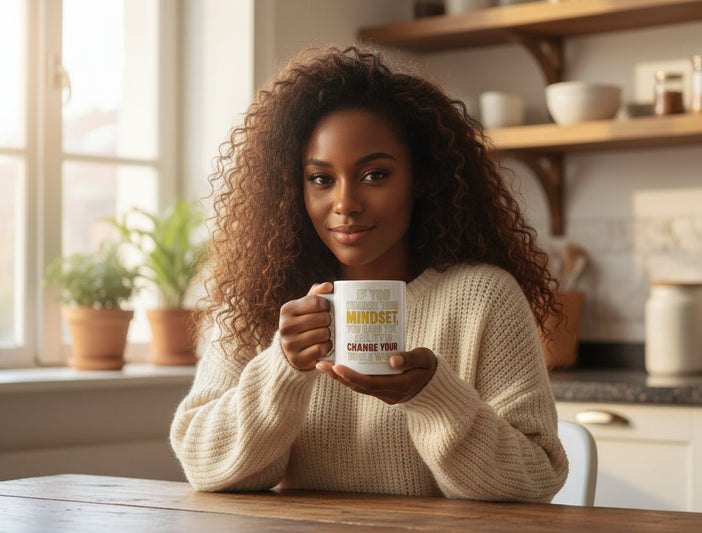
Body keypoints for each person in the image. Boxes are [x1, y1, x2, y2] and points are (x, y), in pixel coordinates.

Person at [170, 46, 568, 503]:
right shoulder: (261, 299)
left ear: (422, 178)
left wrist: (434, 396)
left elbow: (537, 478)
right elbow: (205, 467)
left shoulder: (484, 297)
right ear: (291, 186)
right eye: (321, 179)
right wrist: (283, 366)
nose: (345, 204)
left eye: (375, 175)